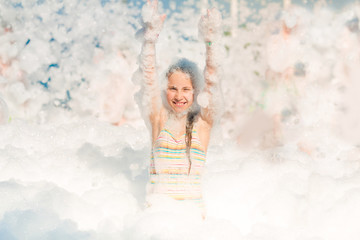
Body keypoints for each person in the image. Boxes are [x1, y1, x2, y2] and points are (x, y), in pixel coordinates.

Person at [135, 0, 223, 218]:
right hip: (156, 220)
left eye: (186, 89)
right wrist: (149, 40)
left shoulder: (202, 126)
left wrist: (210, 41)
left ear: (195, 92)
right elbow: (148, 78)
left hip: (192, 221)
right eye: (173, 88)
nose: (179, 95)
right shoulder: (158, 119)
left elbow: (212, 79)